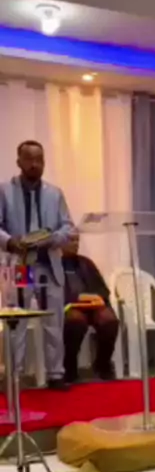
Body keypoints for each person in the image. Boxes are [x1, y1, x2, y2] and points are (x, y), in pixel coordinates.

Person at [0, 141, 74, 389]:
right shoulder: (4, 191)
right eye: (29, 159)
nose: (35, 164)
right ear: (18, 161)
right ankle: (15, 376)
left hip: (49, 265)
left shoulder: (55, 193)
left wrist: (53, 238)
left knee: (54, 321)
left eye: (39, 160)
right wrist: (10, 242)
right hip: (21, 266)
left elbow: (68, 226)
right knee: (18, 321)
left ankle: (56, 374)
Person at [62, 234, 119, 383]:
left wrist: (96, 297)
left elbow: (102, 289)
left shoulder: (85, 263)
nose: (75, 244)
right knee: (76, 321)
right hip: (67, 306)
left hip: (91, 306)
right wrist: (75, 298)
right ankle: (69, 366)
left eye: (77, 240)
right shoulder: (52, 265)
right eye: (71, 240)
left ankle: (103, 363)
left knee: (109, 320)